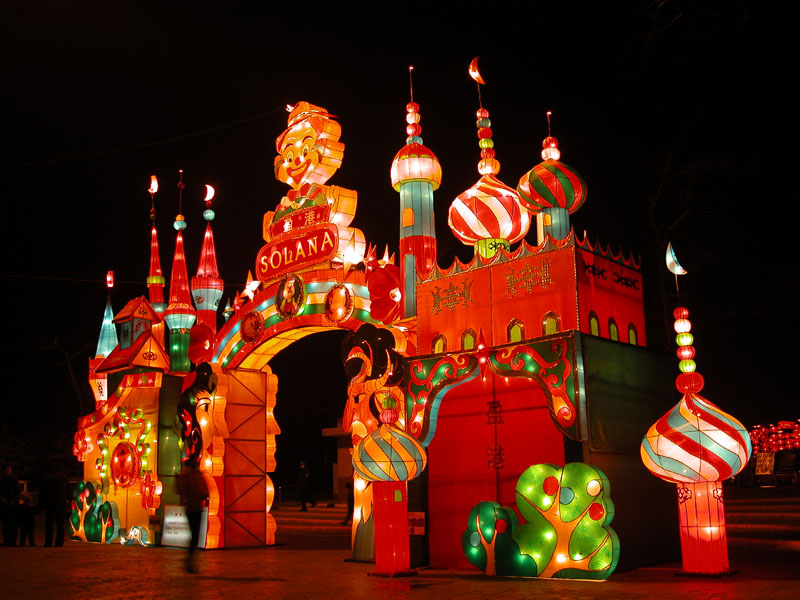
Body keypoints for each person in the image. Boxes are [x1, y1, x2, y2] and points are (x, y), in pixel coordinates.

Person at [177, 461, 208, 573]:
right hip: (197, 507)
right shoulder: (198, 475)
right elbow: (205, 491)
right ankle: (190, 560)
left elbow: (180, 490)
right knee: (195, 535)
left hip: (190, 507)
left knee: (193, 534)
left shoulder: (185, 476)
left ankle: (190, 560)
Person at [39, 466, 69, 547]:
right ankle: (59, 542)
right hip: (61, 503)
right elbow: (68, 491)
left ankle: (48, 541)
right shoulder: (63, 478)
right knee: (60, 524)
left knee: (49, 524)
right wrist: (68, 501)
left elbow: (42, 493)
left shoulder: (46, 479)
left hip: (50, 503)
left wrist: (40, 505)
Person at [0, 464, 20, 546]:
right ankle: (6, 540)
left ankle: (13, 541)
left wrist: (14, 500)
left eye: (10, 469)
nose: (8, 471)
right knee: (5, 523)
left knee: (13, 523)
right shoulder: (1, 480)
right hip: (4, 504)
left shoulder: (14, 479)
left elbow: (18, 491)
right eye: (7, 469)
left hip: (13, 504)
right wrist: (2, 498)